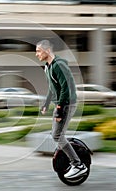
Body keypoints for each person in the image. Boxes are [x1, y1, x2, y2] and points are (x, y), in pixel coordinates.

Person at [35, 40, 87, 179]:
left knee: (57, 136)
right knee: (57, 135)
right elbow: (53, 88)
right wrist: (46, 103)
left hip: (67, 104)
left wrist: (59, 109)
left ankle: (78, 165)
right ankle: (68, 155)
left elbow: (66, 89)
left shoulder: (58, 65)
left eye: (38, 51)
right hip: (61, 104)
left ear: (47, 50)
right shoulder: (48, 67)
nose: (36, 54)